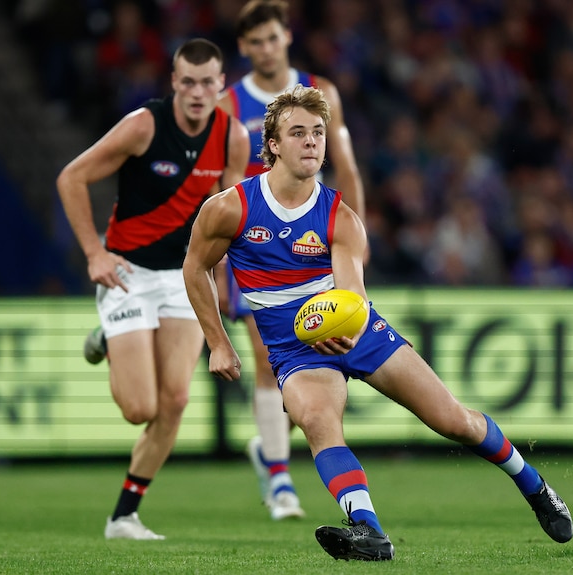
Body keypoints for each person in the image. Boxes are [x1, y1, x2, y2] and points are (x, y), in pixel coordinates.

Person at [182, 85, 573, 561]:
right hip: (293, 348)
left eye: (319, 133)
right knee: (318, 420)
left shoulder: (340, 218)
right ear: (273, 146)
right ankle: (369, 530)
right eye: (298, 132)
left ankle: (533, 485)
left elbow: (352, 298)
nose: (311, 142)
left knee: (454, 422)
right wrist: (218, 342)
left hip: (356, 332)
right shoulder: (230, 208)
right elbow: (194, 268)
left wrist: (345, 325)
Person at [57, 38, 249, 539]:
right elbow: (71, 178)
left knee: (177, 401)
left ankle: (123, 516)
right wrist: (94, 255)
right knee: (139, 408)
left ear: (221, 86)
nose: (197, 92)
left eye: (208, 82)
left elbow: (229, 217)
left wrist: (223, 282)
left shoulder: (233, 139)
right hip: (126, 273)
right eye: (187, 81)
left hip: (183, 277)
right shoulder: (144, 125)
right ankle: (109, 336)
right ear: (173, 82)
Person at [215, 0, 366, 521]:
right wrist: (219, 268)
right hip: (256, 243)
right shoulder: (229, 101)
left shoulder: (320, 93)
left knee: (324, 358)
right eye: (255, 42)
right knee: (265, 355)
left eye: (272, 38)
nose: (265, 49)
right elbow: (224, 183)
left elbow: (345, 163)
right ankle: (280, 480)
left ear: (286, 38)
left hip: (316, 240)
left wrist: (358, 238)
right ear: (244, 48)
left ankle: (276, 451)